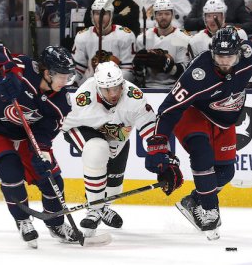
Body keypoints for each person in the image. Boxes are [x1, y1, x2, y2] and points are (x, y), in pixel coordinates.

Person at [144, 26, 252, 240]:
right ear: (212, 54)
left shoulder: (250, 53)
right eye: (219, 57)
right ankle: (209, 210)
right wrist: (158, 147)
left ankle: (193, 200)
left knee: (226, 173)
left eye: (230, 57)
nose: (224, 63)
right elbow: (168, 110)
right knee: (201, 152)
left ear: (239, 53)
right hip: (194, 114)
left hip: (223, 120)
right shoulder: (198, 74)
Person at [0, 45, 78, 248]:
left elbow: (44, 133)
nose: (66, 81)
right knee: (11, 170)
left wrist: (41, 153)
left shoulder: (61, 102)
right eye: (63, 76)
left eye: (68, 76)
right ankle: (23, 220)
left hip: (23, 136)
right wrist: (5, 71)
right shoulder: (24, 69)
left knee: (52, 178)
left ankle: (56, 224)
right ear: (48, 73)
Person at [61, 61, 181, 236]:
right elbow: (60, 121)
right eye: (107, 90)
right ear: (97, 86)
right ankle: (95, 210)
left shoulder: (134, 97)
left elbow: (151, 128)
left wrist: (164, 158)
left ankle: (101, 207)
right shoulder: (83, 98)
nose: (113, 93)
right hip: (81, 129)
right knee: (97, 149)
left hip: (117, 138)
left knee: (114, 188)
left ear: (122, 83)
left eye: (117, 87)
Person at [72, 0, 136, 86]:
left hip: (116, 87)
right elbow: (78, 70)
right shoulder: (82, 36)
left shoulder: (126, 35)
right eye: (97, 13)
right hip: (90, 85)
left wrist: (111, 83)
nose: (100, 17)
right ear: (92, 15)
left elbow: (128, 71)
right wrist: (72, 84)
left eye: (104, 13)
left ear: (111, 16)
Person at [133, 0, 191, 88]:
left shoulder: (183, 37)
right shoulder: (142, 38)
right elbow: (138, 76)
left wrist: (170, 67)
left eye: (167, 14)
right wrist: (138, 67)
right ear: (154, 16)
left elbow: (186, 71)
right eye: (159, 14)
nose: (163, 17)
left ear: (172, 15)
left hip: (173, 88)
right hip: (148, 86)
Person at [184, 0, 252, 34]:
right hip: (204, 41)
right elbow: (187, 24)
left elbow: (250, 27)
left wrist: (227, 26)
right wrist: (207, 20)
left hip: (228, 42)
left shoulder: (236, 2)